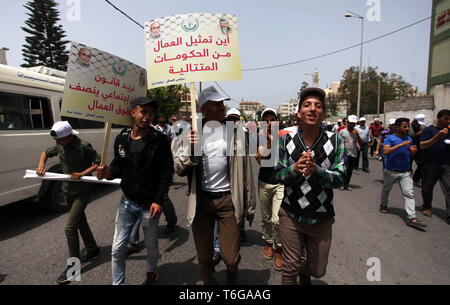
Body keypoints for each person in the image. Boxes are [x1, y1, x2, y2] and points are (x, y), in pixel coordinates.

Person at [174, 86, 256, 285]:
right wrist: (190, 152)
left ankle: (232, 276)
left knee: (231, 259)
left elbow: (246, 170)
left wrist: (250, 204)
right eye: (216, 104)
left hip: (228, 201)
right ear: (204, 109)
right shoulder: (191, 133)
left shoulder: (235, 132)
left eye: (222, 103)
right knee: (204, 258)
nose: (222, 107)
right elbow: (178, 167)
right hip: (202, 203)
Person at [96, 97, 173, 285]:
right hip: (127, 202)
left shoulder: (159, 140)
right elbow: (118, 166)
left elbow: (166, 172)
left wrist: (159, 200)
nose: (147, 117)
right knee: (117, 248)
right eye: (143, 112)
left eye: (150, 113)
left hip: (150, 206)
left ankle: (151, 273)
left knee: (151, 246)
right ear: (133, 113)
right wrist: (107, 172)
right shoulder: (121, 138)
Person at [275, 87, 347, 285]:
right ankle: (297, 266)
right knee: (289, 268)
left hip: (321, 217)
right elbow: (276, 174)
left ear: (323, 114)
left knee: (318, 271)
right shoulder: (285, 140)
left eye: (318, 106)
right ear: (299, 113)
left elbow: (341, 179)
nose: (312, 109)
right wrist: (293, 169)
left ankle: (304, 268)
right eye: (307, 105)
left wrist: (318, 172)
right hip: (290, 214)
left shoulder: (336, 140)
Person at [36, 121, 101, 284]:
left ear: (69, 136)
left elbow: (98, 162)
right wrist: (41, 164)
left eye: (59, 140)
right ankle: (92, 249)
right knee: (80, 222)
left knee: (69, 228)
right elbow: (45, 152)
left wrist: (82, 173)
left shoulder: (83, 146)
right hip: (67, 190)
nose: (57, 143)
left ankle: (73, 267)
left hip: (82, 191)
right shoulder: (60, 146)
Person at [379, 118, 427, 231]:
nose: (407, 129)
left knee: (409, 194)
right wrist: (400, 145)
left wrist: (413, 152)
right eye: (404, 126)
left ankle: (411, 217)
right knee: (386, 189)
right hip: (391, 170)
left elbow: (409, 156)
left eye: (408, 126)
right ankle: (383, 205)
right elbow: (386, 151)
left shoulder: (408, 139)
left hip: (405, 171)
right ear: (397, 127)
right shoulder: (389, 138)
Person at [256, 108, 284, 271]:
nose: (269, 123)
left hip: (280, 182)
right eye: (265, 121)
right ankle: (268, 242)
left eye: (272, 120)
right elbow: (260, 160)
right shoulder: (257, 138)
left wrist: (275, 140)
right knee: (266, 218)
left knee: (277, 220)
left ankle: (279, 249)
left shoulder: (284, 137)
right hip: (264, 182)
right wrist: (267, 141)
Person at [419, 109, 450, 224]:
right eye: (446, 118)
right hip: (431, 164)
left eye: (449, 119)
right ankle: (427, 206)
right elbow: (423, 146)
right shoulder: (429, 130)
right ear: (439, 118)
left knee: (449, 188)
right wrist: (438, 136)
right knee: (427, 186)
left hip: (446, 165)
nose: (448, 121)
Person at [339, 115, 361, 190]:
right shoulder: (342, 132)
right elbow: (338, 142)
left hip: (353, 154)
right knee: (344, 169)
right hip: (345, 154)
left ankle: (347, 184)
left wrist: (357, 135)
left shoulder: (355, 132)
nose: (352, 125)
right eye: (351, 123)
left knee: (350, 171)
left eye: (354, 124)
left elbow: (359, 142)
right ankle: (341, 184)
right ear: (347, 123)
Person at [409, 113, 426, 187]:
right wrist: (417, 134)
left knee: (421, 164)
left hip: (419, 148)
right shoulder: (409, 127)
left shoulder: (422, 127)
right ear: (414, 121)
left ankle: (416, 179)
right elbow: (409, 136)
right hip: (410, 147)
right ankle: (407, 179)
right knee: (408, 164)